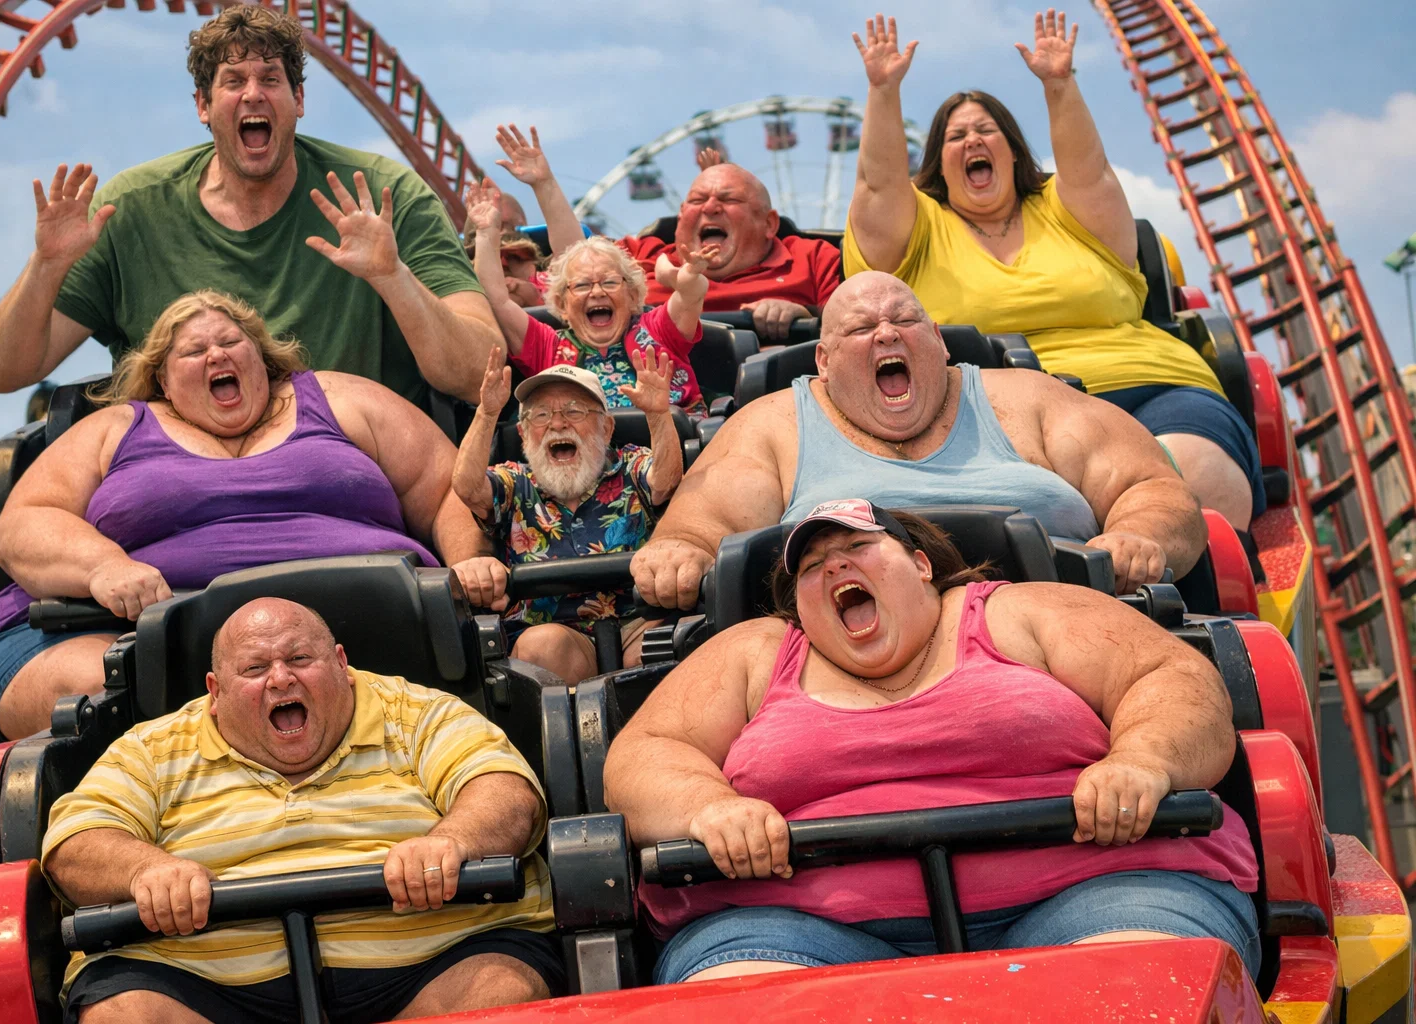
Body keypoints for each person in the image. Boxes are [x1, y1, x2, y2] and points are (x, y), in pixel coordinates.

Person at [605, 501, 1259, 985]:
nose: (835, 565)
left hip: (1106, 891)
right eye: (810, 567)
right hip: (789, 928)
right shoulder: (753, 653)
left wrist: (1143, 759)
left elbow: (1171, 677)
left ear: (921, 565)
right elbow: (647, 751)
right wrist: (710, 809)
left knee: (1134, 988)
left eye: (857, 547)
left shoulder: (1018, 610)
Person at [0, 291, 490, 745]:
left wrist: (467, 561)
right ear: (162, 379)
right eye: (193, 351)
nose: (216, 355)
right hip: (130, 641)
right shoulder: (114, 428)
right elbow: (26, 521)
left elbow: (450, 486)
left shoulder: (340, 397)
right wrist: (103, 567)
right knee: (94, 684)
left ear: (262, 359)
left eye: (231, 342)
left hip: (369, 629)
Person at [43, 598, 559, 1023]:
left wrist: (451, 841)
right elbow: (75, 844)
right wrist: (147, 870)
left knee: (502, 993)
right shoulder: (151, 748)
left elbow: (505, 792)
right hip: (199, 982)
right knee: (121, 1016)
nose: (280, 679)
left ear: (341, 664)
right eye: (255, 668)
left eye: (299, 658)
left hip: (433, 962)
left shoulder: (420, 713)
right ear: (215, 692)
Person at [844, 11, 1265, 530]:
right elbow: (879, 186)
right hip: (1000, 414)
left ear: (1012, 150)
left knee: (1195, 477)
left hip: (1147, 385)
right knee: (1040, 506)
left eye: (986, 130)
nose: (972, 141)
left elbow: (1090, 169)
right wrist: (883, 91)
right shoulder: (920, 228)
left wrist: (1059, 85)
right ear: (937, 162)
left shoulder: (1066, 209)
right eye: (956, 136)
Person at [0, 5, 500, 406]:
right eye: (233, 81)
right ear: (203, 106)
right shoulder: (128, 211)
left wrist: (393, 278)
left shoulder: (384, 197)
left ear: (298, 100)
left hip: (352, 469)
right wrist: (45, 267)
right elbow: (0, 374)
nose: (253, 94)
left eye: (270, 78)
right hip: (188, 482)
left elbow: (484, 372)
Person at [631, 273, 1207, 608]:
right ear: (824, 362)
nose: (886, 333)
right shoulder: (771, 424)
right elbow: (700, 525)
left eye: (905, 321)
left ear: (938, 340)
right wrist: (681, 552)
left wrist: (1139, 535)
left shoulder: (1029, 397)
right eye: (862, 328)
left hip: (1058, 624)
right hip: (842, 656)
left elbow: (1153, 488)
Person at [451, 355, 682, 684]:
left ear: (606, 428)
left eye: (574, 411)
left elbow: (666, 483)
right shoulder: (514, 482)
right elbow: (467, 487)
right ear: (523, 434)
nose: (558, 424)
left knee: (662, 644)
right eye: (541, 415)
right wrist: (487, 414)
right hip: (552, 634)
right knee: (543, 648)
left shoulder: (631, 464)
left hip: (637, 621)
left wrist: (658, 415)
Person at [494, 127, 840, 342]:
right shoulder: (643, 257)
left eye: (729, 200)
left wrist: (806, 315)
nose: (710, 208)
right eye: (697, 200)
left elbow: (855, 321)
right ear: (680, 218)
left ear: (769, 224)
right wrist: (544, 185)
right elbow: (578, 264)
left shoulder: (812, 257)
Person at [467, 180, 714, 416]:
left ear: (632, 295)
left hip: (672, 438)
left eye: (609, 282)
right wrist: (486, 233)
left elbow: (690, 296)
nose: (597, 292)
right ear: (562, 304)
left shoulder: (659, 327)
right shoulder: (547, 346)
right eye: (582, 285)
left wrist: (688, 278)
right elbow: (497, 299)